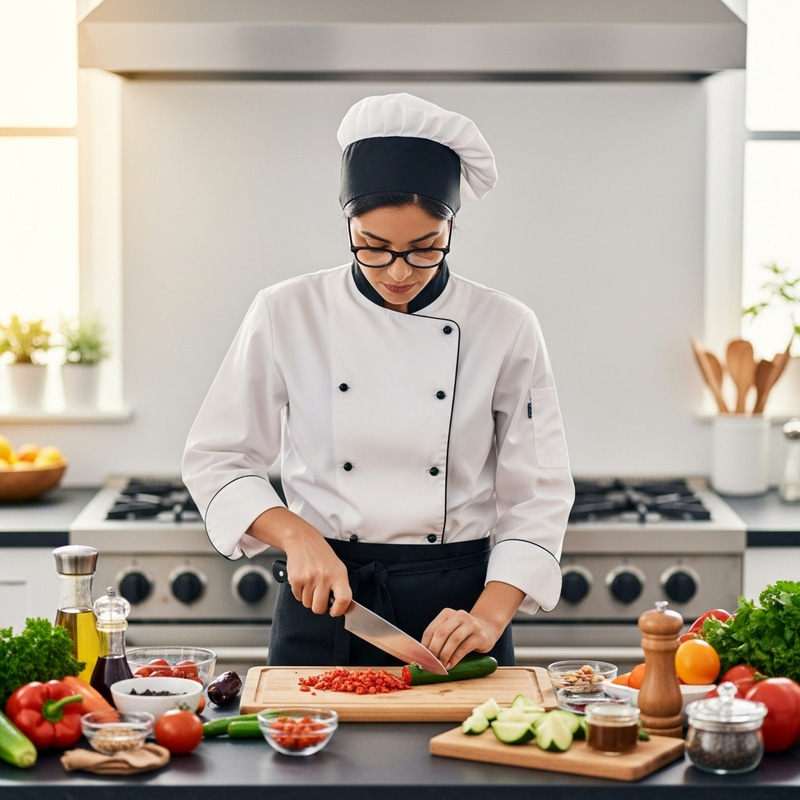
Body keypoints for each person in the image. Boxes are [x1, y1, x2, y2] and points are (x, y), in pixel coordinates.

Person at [182, 92, 574, 670]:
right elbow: (217, 457)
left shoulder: (505, 325)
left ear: (450, 228)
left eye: (423, 251)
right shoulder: (286, 311)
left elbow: (539, 491)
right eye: (373, 248)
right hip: (325, 598)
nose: (397, 272)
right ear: (348, 223)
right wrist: (295, 535)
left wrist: (490, 615)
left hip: (461, 613)